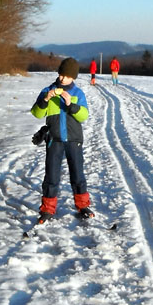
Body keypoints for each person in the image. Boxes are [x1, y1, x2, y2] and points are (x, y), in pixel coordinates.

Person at [30, 57, 94, 223]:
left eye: (66, 76)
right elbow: (36, 113)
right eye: (61, 75)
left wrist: (70, 104)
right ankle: (47, 209)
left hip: (74, 140)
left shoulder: (77, 93)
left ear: (73, 77)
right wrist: (45, 100)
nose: (62, 78)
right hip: (54, 140)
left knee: (77, 175)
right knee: (51, 176)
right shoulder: (47, 91)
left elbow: (84, 116)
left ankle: (83, 206)